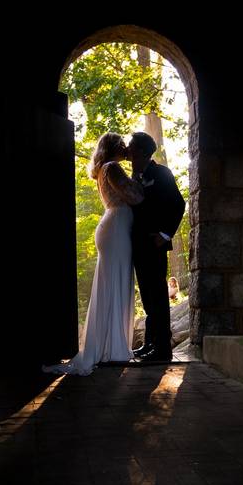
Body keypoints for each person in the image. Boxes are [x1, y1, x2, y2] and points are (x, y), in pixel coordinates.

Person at [43, 132, 144, 376]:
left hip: (114, 227)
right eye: (122, 145)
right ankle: (113, 348)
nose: (126, 149)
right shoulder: (112, 168)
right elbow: (136, 197)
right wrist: (139, 178)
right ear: (114, 148)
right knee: (116, 283)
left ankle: (111, 346)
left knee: (113, 283)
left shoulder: (105, 169)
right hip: (117, 228)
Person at [128, 131, 186, 362]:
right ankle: (149, 343)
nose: (127, 149)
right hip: (139, 245)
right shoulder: (136, 175)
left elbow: (178, 204)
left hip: (155, 243)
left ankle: (163, 348)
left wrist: (165, 234)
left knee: (158, 296)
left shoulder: (161, 173)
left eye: (131, 146)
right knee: (147, 297)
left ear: (141, 151)